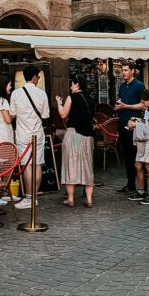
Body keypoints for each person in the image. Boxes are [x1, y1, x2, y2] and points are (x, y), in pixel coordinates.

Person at [9, 64, 50, 209]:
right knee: (37, 163)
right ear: (34, 77)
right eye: (38, 77)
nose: (38, 79)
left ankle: (28, 196)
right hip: (37, 133)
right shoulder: (42, 94)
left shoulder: (16, 93)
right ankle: (34, 196)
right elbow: (45, 115)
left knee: (26, 165)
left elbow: (12, 114)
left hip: (22, 133)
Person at [56, 75, 95, 207]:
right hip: (88, 136)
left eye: (72, 84)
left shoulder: (71, 97)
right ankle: (89, 199)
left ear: (77, 84)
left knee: (71, 164)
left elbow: (63, 114)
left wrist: (59, 104)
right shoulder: (90, 98)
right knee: (87, 165)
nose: (70, 87)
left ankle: (71, 198)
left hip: (75, 135)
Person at [114, 60, 146, 194]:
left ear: (132, 71)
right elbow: (120, 102)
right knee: (126, 155)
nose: (123, 73)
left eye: (126, 70)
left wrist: (127, 106)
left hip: (134, 124)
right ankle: (130, 184)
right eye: (122, 70)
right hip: (122, 123)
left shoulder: (139, 85)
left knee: (135, 155)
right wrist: (118, 106)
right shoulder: (122, 86)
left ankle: (141, 186)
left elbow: (144, 104)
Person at [128, 89, 149, 205]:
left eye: (143, 102)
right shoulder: (148, 109)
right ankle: (141, 191)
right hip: (144, 142)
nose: (142, 104)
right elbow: (146, 125)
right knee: (138, 164)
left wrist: (136, 125)